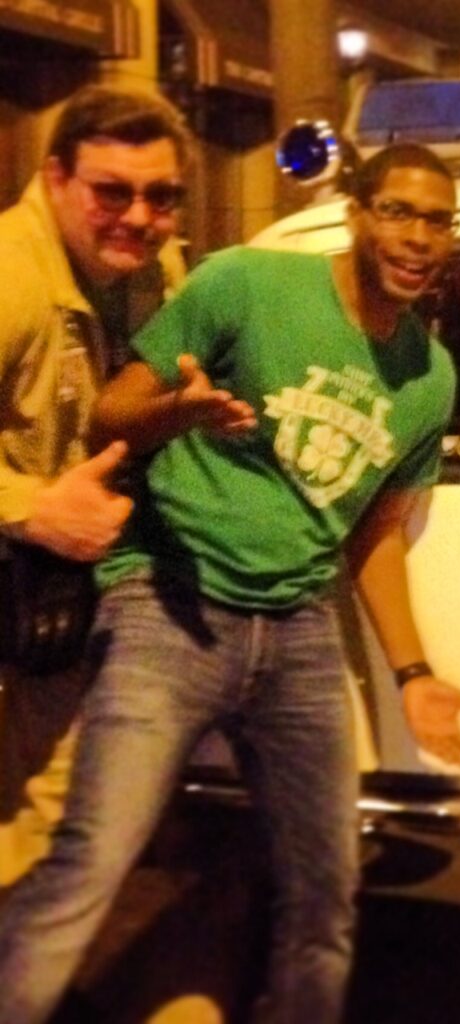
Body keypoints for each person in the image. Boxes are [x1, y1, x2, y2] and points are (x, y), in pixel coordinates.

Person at [0, 141, 460, 1024]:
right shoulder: (246, 283)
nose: (419, 237)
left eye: (437, 221)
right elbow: (113, 413)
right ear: (358, 215)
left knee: (325, 895)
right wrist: (179, 413)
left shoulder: (430, 375)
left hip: (298, 629)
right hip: (168, 604)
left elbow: (376, 535)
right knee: (90, 861)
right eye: (398, 212)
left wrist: (414, 674)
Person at [0, 84, 190, 886]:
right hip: (28, 558)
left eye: (162, 196)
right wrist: (31, 506)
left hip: (55, 601)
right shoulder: (12, 276)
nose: (138, 217)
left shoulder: (157, 271)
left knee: (46, 828)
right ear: (56, 178)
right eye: (111, 192)